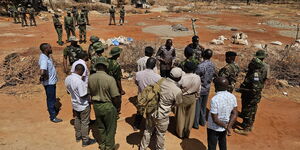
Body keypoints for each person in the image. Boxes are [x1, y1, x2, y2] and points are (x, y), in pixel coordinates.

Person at [139, 67, 183, 150]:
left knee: (148, 130)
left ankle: (142, 147)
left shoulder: (160, 80)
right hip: (162, 115)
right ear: (179, 78)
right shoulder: (177, 90)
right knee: (160, 134)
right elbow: (178, 103)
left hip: (151, 110)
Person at [88, 59, 121, 150]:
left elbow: (89, 93)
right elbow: (115, 97)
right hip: (108, 105)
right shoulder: (110, 79)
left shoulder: (90, 78)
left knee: (100, 127)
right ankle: (109, 147)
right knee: (110, 129)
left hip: (96, 106)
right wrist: (117, 108)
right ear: (106, 67)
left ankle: (102, 145)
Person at [234, 50, 268, 135]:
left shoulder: (255, 75)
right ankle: (247, 124)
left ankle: (246, 129)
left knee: (248, 111)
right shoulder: (256, 72)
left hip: (251, 97)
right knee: (251, 111)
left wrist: (241, 90)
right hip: (252, 96)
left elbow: (254, 90)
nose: (249, 65)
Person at [65, 64, 96, 147]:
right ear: (81, 71)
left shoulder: (68, 78)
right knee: (85, 122)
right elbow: (82, 95)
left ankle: (78, 136)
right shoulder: (79, 81)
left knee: (77, 119)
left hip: (75, 103)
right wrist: (90, 94)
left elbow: (68, 91)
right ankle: (85, 140)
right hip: (83, 105)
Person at [207, 77, 238, 150]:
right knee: (222, 142)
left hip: (213, 128)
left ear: (216, 86)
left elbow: (215, 119)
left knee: (212, 145)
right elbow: (235, 113)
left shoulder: (215, 99)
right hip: (225, 126)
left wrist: (226, 126)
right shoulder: (232, 96)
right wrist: (228, 126)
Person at [133, 58, 161, 130]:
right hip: (152, 98)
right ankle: (150, 128)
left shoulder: (138, 74)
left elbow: (136, 83)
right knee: (151, 113)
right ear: (154, 66)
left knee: (139, 111)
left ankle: (136, 125)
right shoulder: (157, 77)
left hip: (141, 97)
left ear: (146, 64)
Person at [176, 62, 201, 139]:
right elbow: (199, 89)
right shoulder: (197, 77)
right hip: (192, 97)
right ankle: (187, 132)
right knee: (190, 116)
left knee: (181, 115)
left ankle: (180, 133)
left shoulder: (182, 77)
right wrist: (196, 97)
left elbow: (177, 87)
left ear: (185, 68)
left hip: (183, 97)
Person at [38, 43, 62, 123]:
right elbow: (42, 71)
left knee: (52, 98)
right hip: (49, 83)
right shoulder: (44, 59)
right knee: (51, 99)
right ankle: (53, 116)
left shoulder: (46, 57)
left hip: (51, 82)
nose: (51, 49)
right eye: (50, 48)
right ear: (46, 49)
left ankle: (53, 111)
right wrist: (44, 77)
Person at [193, 49, 215, 129]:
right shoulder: (212, 65)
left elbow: (196, 76)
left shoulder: (201, 66)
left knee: (197, 106)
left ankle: (195, 124)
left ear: (203, 55)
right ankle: (202, 121)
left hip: (200, 88)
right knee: (203, 106)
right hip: (208, 88)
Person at [108, 47, 125, 114]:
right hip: (114, 85)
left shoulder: (107, 61)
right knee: (117, 100)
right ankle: (116, 113)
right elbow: (118, 79)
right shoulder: (116, 65)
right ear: (118, 54)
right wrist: (121, 90)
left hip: (106, 83)